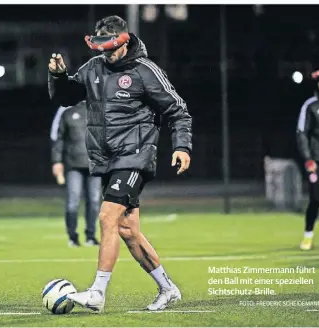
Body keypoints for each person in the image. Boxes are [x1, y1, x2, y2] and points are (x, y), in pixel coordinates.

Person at [48, 15, 192, 312]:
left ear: (125, 43)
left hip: (135, 156)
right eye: (101, 48)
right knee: (127, 230)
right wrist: (59, 77)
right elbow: (67, 97)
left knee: (106, 217)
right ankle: (167, 288)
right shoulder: (93, 68)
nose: (106, 54)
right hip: (108, 160)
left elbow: (178, 111)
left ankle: (98, 292)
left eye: (111, 48)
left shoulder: (145, 71)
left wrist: (182, 146)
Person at [50, 100, 102, 247]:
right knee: (73, 202)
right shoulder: (65, 110)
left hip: (94, 164)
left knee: (93, 201)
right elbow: (57, 138)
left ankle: (90, 236)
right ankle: (72, 237)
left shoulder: (97, 109)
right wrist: (56, 161)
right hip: (73, 165)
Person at [296, 68, 319, 251]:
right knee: (316, 198)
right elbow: (302, 133)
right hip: (318, 161)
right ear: (318, 86)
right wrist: (308, 158)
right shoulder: (310, 105)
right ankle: (308, 234)